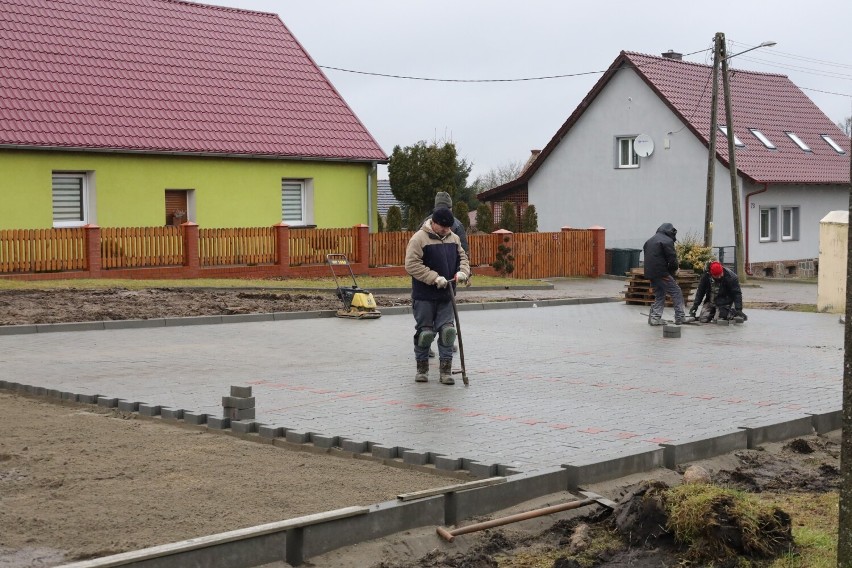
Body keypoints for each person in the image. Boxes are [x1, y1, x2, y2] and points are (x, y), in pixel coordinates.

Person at [405, 207, 470, 385]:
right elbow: (411, 264)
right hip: (424, 295)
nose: (446, 230)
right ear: (434, 223)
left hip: (447, 295)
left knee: (448, 332)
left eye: (449, 227)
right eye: (443, 227)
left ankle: (446, 371)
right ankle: (422, 369)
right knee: (425, 333)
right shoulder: (419, 239)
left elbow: (463, 258)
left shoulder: (454, 238)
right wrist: (434, 278)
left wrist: (463, 272)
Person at [423, 191, 469, 357]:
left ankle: (425, 345)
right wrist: (464, 273)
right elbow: (463, 252)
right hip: (449, 278)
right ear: (451, 207)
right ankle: (447, 342)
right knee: (447, 313)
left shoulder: (426, 222)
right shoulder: (456, 224)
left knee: (427, 315)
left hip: (426, 281)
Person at [642, 222, 686, 325]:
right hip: (662, 273)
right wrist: (672, 272)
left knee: (660, 294)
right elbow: (673, 260)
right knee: (676, 291)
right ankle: (680, 316)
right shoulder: (667, 241)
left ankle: (655, 318)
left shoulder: (649, 241)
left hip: (650, 273)